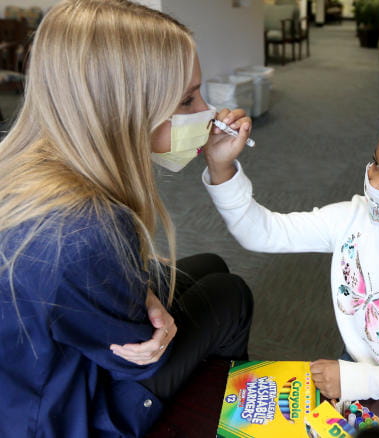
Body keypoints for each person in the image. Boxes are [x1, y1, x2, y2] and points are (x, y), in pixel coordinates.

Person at [0, 1, 253, 436]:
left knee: (210, 264)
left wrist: (140, 291)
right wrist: (141, 301)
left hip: (28, 375)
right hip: (65, 417)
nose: (207, 110)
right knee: (230, 294)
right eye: (188, 98)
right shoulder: (84, 228)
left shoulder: (21, 170)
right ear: (123, 110)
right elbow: (135, 358)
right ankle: (223, 415)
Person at [202, 101, 379, 407]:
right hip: (355, 367)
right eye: (376, 164)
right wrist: (221, 166)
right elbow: (262, 232)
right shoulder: (353, 219)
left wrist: (355, 379)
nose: (374, 183)